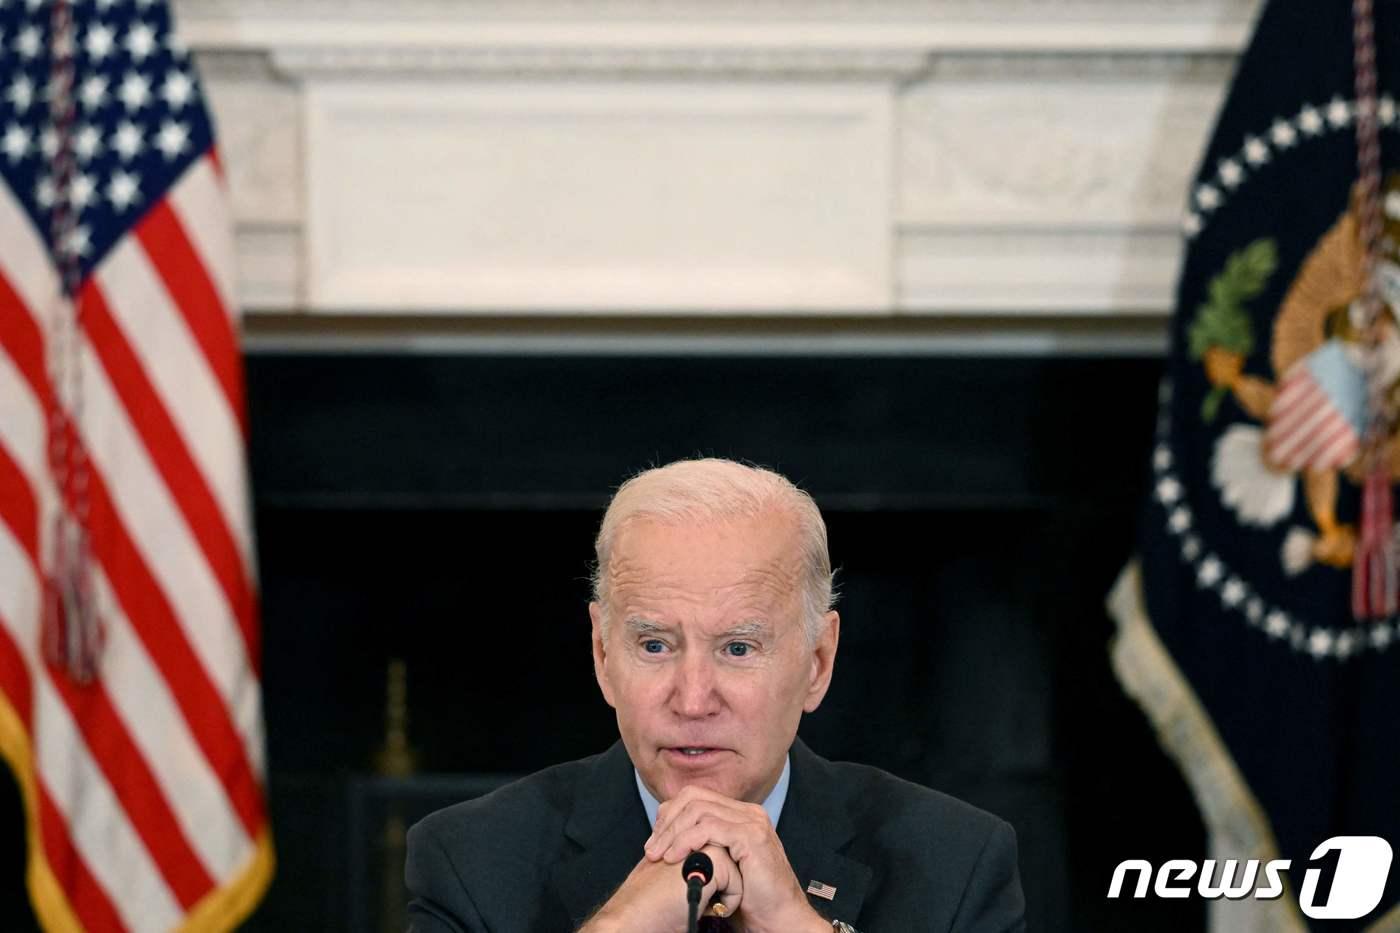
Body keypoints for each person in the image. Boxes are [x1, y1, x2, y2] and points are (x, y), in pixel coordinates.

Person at [406, 458, 1026, 932]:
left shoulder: (956, 863)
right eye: (655, 645)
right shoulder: (471, 860)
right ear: (601, 655)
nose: (694, 700)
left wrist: (796, 925)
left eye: (737, 648)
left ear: (818, 662)